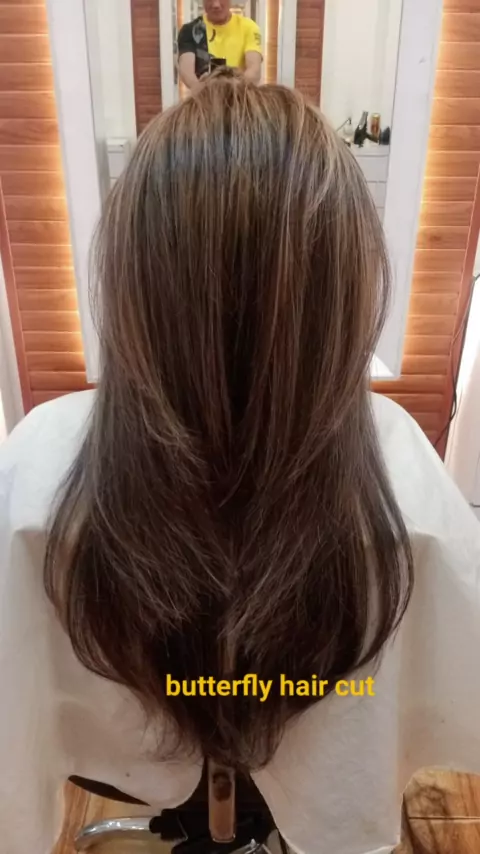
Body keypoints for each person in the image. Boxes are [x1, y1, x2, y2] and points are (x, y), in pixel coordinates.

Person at [1, 69, 480, 854]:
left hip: (125, 766)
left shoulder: (35, 468)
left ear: (137, 277)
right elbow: (450, 678)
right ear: (340, 284)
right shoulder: (404, 480)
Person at [177, 0, 262, 90]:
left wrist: (233, 89)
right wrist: (200, 88)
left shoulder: (249, 27)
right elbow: (187, 70)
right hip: (204, 95)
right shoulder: (191, 30)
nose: (216, 5)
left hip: (239, 94)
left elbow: (254, 70)